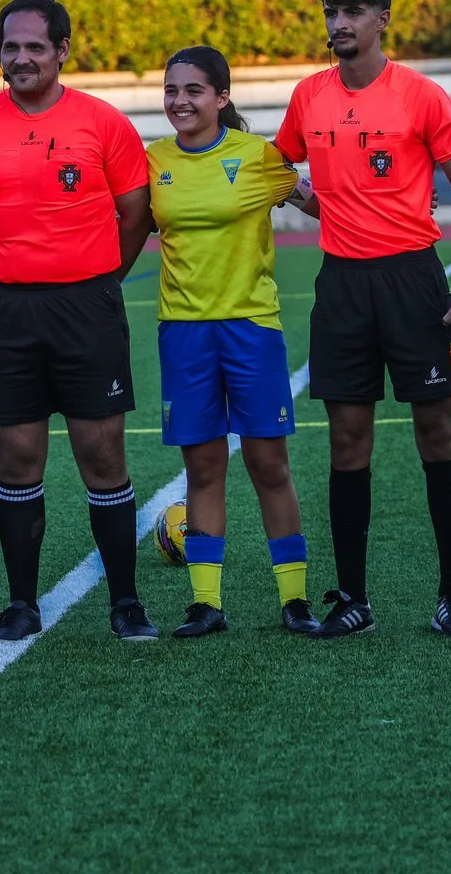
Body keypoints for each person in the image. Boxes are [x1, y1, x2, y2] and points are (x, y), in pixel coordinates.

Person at [274, 0, 451, 638]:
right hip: (341, 285)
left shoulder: (420, 95)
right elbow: (277, 166)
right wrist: (311, 201)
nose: (340, 23)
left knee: (434, 435)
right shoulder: (308, 96)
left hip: (412, 283)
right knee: (347, 441)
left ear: (381, 21)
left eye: (354, 11)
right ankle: (354, 600)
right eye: (332, 12)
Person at [0, 0, 159, 643]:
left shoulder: (104, 122)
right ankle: (20, 605)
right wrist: (13, 264)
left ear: (63, 51)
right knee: (17, 457)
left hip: (87, 305)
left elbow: (135, 212)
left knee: (102, 452)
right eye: (11, 47)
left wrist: (97, 279)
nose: (22, 59)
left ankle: (125, 602)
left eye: (36, 47)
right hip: (10, 308)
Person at [145, 46, 321, 638]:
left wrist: (394, 214)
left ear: (221, 98)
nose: (180, 101)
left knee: (269, 463)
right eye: (171, 90)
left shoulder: (257, 158)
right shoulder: (153, 161)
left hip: (251, 329)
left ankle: (294, 600)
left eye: (193, 90)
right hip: (184, 333)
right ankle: (206, 604)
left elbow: (319, 205)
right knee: (203, 467)